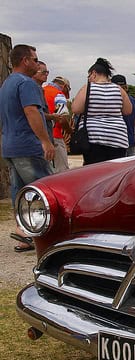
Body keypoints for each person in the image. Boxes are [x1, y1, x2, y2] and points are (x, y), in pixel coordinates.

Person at [0, 44, 55, 252]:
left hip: (10, 146)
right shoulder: (26, 83)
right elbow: (31, 111)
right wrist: (45, 140)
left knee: (20, 192)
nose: (37, 64)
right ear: (25, 61)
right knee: (44, 190)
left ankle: (23, 232)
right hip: (27, 145)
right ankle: (48, 236)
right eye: (35, 60)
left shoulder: (6, 84)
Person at [71, 58, 132, 165]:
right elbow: (128, 111)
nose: (89, 79)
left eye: (89, 76)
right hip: (117, 137)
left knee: (95, 170)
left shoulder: (87, 88)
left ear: (94, 73)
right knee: (115, 171)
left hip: (94, 137)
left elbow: (76, 109)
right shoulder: (119, 89)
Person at [43, 75, 73, 172]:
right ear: (64, 86)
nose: (67, 96)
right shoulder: (59, 94)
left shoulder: (42, 90)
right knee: (62, 171)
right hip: (55, 135)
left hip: (40, 136)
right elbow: (62, 119)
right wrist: (69, 130)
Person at [111, 74, 135, 156]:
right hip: (130, 140)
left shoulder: (111, 101)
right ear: (126, 86)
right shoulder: (133, 101)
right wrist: (130, 121)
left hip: (115, 142)